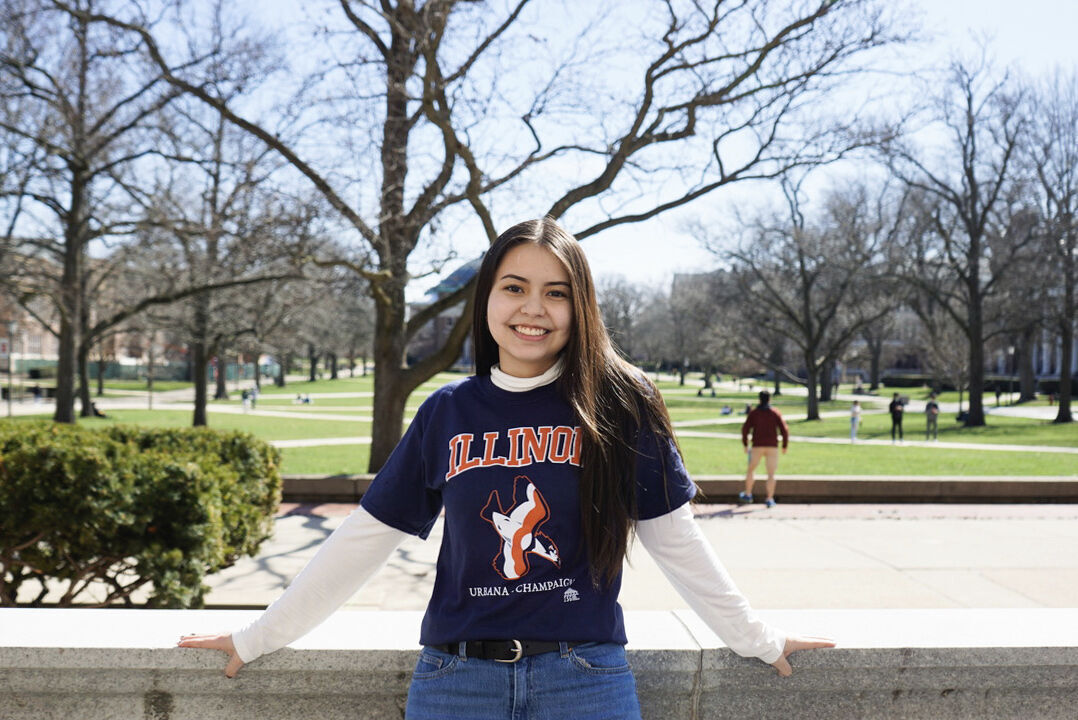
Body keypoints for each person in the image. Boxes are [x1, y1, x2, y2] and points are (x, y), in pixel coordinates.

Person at [176, 219, 831, 718]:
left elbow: (676, 542)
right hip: (455, 684)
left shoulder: (620, 404)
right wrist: (256, 636)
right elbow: (364, 540)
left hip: (586, 681)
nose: (532, 309)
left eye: (556, 293)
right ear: (485, 298)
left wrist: (760, 639)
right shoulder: (447, 412)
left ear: (581, 309)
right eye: (514, 288)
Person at [738, 390, 789, 509]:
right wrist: (784, 445)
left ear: (759, 399)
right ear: (769, 399)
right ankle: (770, 499)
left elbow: (745, 429)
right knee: (771, 474)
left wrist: (745, 444)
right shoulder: (775, 413)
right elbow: (784, 430)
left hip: (757, 446)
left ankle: (748, 494)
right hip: (772, 447)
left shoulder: (754, 413)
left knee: (751, 470)